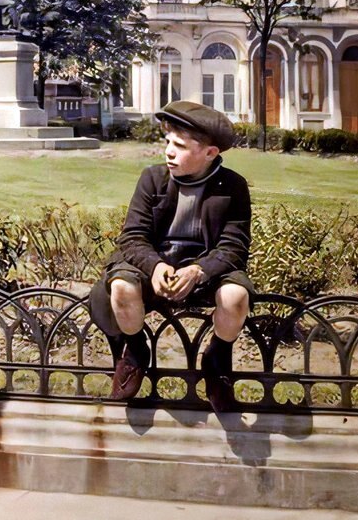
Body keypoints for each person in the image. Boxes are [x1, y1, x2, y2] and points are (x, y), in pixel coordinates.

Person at [87, 100, 252, 414]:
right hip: (153, 265)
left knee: (236, 296)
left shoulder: (233, 187)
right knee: (121, 287)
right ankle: (135, 352)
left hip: (205, 273)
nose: (169, 151)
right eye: (167, 143)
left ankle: (216, 358)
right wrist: (156, 265)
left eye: (180, 145)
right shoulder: (153, 179)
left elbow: (234, 247)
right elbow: (132, 237)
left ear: (210, 153)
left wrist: (198, 271)